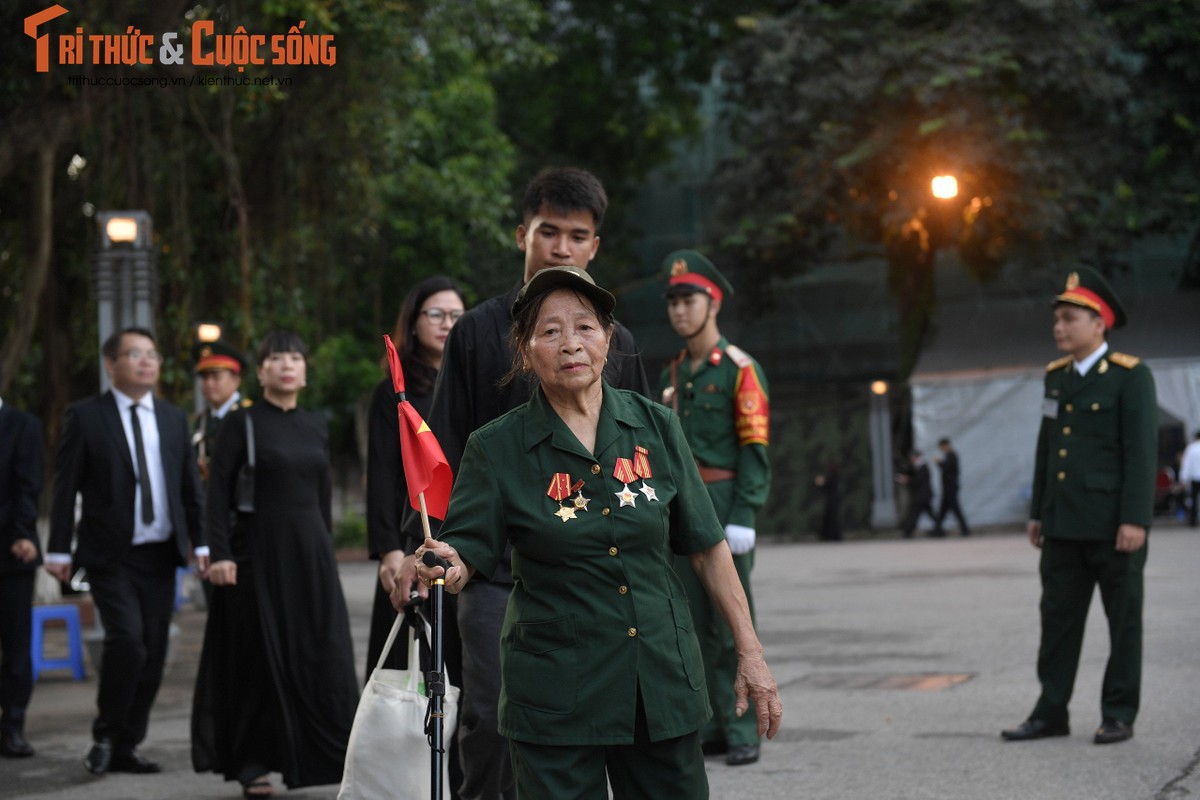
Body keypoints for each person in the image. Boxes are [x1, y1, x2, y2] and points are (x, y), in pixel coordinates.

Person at [415, 266, 782, 799]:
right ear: (525, 350)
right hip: (556, 690)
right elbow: (467, 547)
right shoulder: (496, 447)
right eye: (550, 331)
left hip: (658, 680)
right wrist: (447, 560)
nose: (571, 344)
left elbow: (706, 546)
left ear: (609, 339)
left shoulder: (657, 426)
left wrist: (750, 653)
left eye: (585, 327)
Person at [396, 166, 651, 800]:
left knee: (599, 718)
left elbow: (644, 460)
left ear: (595, 246)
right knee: (492, 720)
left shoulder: (619, 345)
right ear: (522, 235)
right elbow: (442, 440)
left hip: (599, 567)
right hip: (496, 568)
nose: (560, 248)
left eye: (577, 235)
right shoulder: (478, 332)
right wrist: (419, 543)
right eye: (548, 232)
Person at [191, 331, 359, 797]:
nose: (286, 365)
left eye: (295, 358)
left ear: (305, 371)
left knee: (322, 654)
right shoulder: (240, 424)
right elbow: (216, 498)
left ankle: (321, 757)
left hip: (312, 557)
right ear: (261, 371)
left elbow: (321, 498)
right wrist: (220, 555)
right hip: (257, 556)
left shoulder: (315, 425)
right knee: (257, 661)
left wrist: (324, 551)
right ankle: (253, 764)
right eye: (276, 358)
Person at [1002, 267, 1157, 746]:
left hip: (1114, 526)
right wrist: (1038, 513)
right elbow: (1047, 448)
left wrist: (1135, 518)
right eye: (1057, 319)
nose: (1059, 327)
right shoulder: (1056, 378)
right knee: (1058, 624)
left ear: (1100, 323)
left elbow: (1140, 452)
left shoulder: (1131, 377)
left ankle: (1118, 712)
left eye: (1069, 318)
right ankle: (1051, 711)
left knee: (1123, 624)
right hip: (1064, 526)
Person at [46, 327, 208, 775]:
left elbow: (189, 488)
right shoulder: (86, 416)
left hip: (159, 554)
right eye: (134, 354)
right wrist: (59, 549)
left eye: (152, 355)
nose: (146, 362)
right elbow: (65, 488)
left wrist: (202, 541)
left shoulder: (174, 418)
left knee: (154, 652)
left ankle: (125, 744)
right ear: (110, 363)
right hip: (109, 554)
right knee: (128, 643)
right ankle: (103, 734)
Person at [658, 249, 771, 766]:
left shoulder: (740, 370)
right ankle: (714, 725)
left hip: (724, 503)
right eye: (673, 301)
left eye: (690, 299)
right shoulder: (674, 373)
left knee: (731, 619)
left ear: (714, 302)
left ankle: (743, 726)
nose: (680, 310)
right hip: (683, 504)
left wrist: (745, 513)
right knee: (688, 621)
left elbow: (756, 450)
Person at [365, 276, 466, 795]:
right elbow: (384, 474)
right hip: (412, 540)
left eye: (456, 315)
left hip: (462, 541)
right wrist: (390, 548)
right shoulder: (397, 392)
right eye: (437, 314)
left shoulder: (471, 378)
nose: (448, 324)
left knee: (465, 680)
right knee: (415, 673)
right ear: (414, 322)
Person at [0, 387, 45, 759]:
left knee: (15, 647)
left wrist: (22, 533)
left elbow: (28, 486)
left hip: (10, 554)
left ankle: (12, 727)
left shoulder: (21, 425)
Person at [191, 338, 250, 483]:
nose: (209, 383)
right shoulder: (201, 420)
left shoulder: (249, 416)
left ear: (236, 380)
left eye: (216, 377)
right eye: (205, 377)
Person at [934, 437, 970, 536]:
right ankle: (937, 530)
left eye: (942, 447)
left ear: (946, 446)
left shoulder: (952, 455)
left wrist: (939, 462)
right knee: (942, 511)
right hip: (947, 488)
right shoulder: (948, 455)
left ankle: (965, 530)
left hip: (951, 488)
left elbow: (947, 468)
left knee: (955, 509)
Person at [897, 450, 936, 538]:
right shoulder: (916, 467)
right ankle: (939, 529)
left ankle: (907, 532)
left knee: (914, 514)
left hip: (922, 496)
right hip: (921, 496)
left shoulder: (923, 467)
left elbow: (918, 481)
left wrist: (907, 480)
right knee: (924, 514)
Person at [1180, 431, 1200, 527]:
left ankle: (1193, 521)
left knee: (1194, 500)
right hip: (1195, 476)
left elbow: (1187, 464)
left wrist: (1183, 478)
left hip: (1195, 477)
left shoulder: (1191, 448)